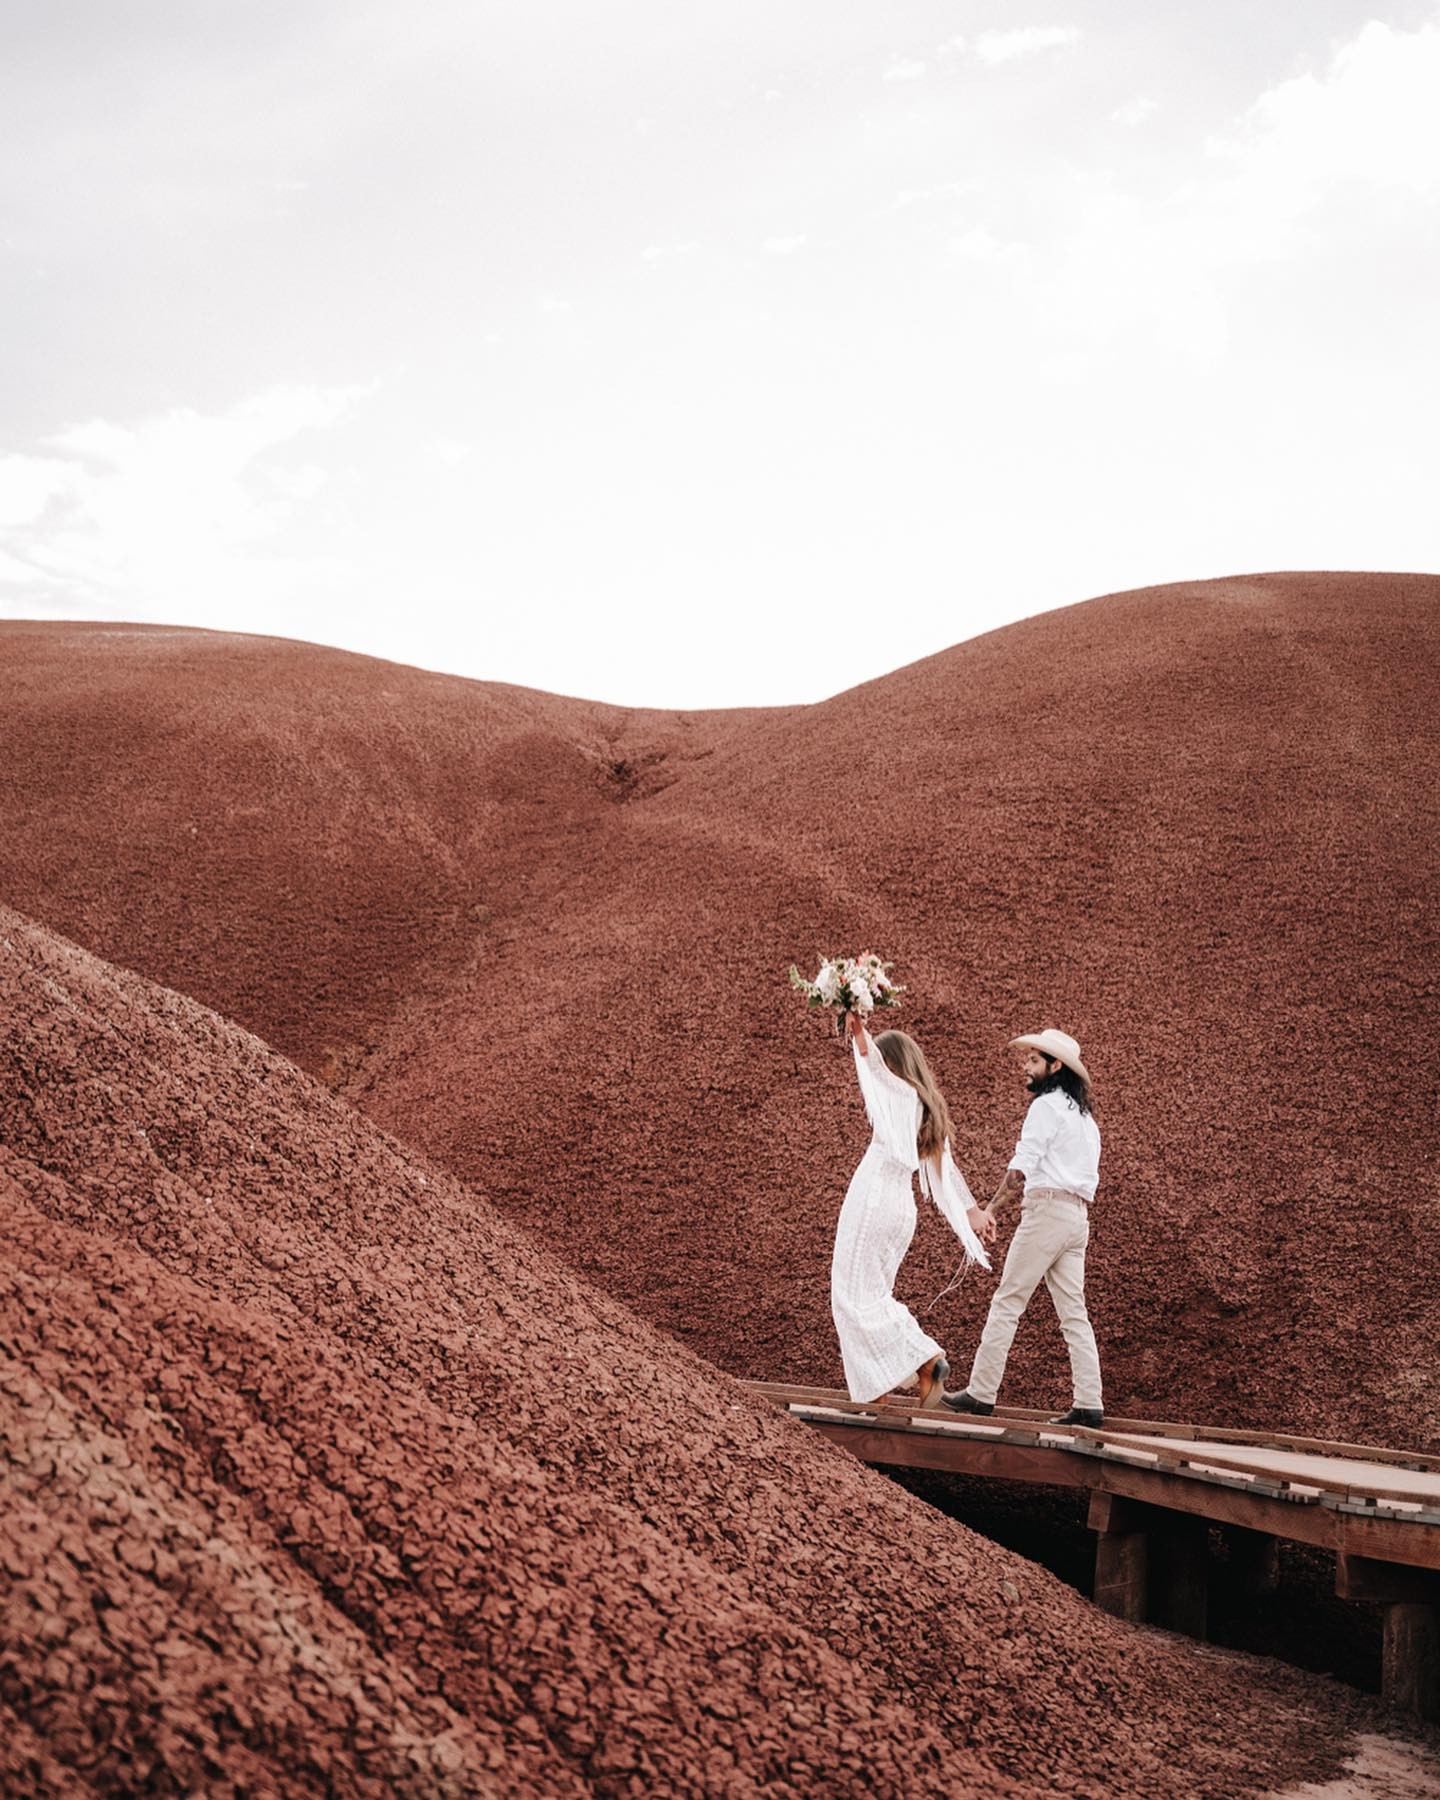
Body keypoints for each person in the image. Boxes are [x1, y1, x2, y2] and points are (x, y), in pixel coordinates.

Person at [943, 1029, 1104, 1428]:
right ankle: (1089, 1403)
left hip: (1047, 1214)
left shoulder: (1046, 1107)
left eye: (1034, 1061)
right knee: (1074, 1314)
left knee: (1007, 1301)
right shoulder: (1086, 1121)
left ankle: (981, 1393)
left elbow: (1021, 1168)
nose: (1025, 1067)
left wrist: (989, 1209)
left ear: (1056, 1066)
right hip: (1076, 1219)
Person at [831, 1009, 991, 1406]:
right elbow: (947, 1170)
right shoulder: (927, 1105)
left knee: (849, 1296)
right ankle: (884, 1384)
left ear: (893, 1065)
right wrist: (973, 1214)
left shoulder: (894, 1093)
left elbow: (871, 1064)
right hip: (902, 1208)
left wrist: (858, 1029)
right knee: (874, 1295)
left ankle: (924, 1359)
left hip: (873, 1200)